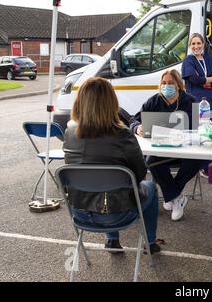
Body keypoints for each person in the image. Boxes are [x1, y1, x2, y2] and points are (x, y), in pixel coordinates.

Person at [63, 77, 160, 254]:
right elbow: (139, 173)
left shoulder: (69, 130)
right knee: (150, 188)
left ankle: (112, 240)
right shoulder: (122, 134)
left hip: (79, 211)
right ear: (111, 102)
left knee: (102, 182)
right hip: (116, 214)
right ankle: (150, 243)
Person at [129, 69, 203, 221]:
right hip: (162, 150)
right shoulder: (154, 101)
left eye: (170, 83)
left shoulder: (191, 101)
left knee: (200, 159)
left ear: (178, 85)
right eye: (164, 83)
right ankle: (176, 198)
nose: (166, 86)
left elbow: (200, 126)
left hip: (186, 150)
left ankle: (172, 195)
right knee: (151, 161)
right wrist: (138, 128)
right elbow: (133, 120)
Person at [181, 32, 212, 111]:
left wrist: (202, 79)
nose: (196, 46)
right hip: (196, 101)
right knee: (198, 123)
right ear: (190, 46)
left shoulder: (208, 59)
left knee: (211, 122)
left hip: (210, 100)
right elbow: (195, 79)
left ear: (203, 44)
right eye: (193, 44)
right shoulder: (188, 60)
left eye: (199, 43)